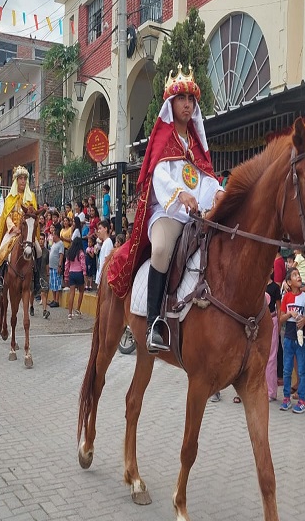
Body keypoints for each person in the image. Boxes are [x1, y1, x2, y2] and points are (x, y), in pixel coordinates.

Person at [107, 63, 224, 353]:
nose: (187, 104)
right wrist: (181, 194)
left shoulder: (195, 144)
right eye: (181, 98)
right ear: (171, 104)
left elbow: (207, 178)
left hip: (198, 217)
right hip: (168, 213)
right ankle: (154, 324)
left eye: (191, 99)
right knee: (160, 249)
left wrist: (220, 192)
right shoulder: (164, 139)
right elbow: (159, 176)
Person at [0, 166, 38, 294]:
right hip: (13, 231)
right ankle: (0, 277)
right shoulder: (10, 198)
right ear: (16, 181)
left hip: (27, 231)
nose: (23, 181)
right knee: (3, 249)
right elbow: (6, 217)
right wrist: (13, 228)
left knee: (39, 251)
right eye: (20, 179)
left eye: (25, 179)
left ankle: (38, 280)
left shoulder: (31, 197)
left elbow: (34, 215)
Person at [279, 269, 305, 414]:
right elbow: (280, 318)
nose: (298, 276)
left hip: (301, 338)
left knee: (302, 370)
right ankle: (286, 398)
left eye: (299, 274)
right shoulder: (286, 297)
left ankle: (302, 400)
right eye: (294, 275)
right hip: (288, 337)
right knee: (286, 369)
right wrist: (289, 313)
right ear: (289, 282)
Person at [265, 272, 282, 403]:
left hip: (273, 319)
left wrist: (279, 324)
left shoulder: (275, 288)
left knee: (271, 356)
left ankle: (271, 391)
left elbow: (278, 306)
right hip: (259, 322)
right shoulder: (258, 285)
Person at [65, 237, 86, 319]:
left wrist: (66, 275)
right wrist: (84, 274)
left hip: (71, 273)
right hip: (79, 273)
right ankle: (77, 309)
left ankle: (70, 313)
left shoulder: (70, 252)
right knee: (81, 291)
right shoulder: (81, 253)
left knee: (72, 293)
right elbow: (83, 264)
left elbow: (67, 265)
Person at [48, 224, 64, 308]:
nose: (52, 236)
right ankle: (54, 300)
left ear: (56, 235)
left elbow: (61, 255)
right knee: (52, 284)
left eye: (53, 234)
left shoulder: (60, 243)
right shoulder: (53, 244)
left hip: (56, 266)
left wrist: (59, 265)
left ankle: (57, 300)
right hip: (51, 266)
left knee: (57, 284)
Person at [36, 233, 50, 319]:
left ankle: (44, 310)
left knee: (43, 293)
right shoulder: (34, 250)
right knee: (32, 293)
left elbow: (47, 264)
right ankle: (31, 306)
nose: (41, 241)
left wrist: (47, 274)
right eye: (40, 239)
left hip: (43, 274)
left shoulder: (46, 252)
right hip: (35, 274)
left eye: (42, 239)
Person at [95, 220, 113, 287]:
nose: (98, 231)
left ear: (105, 229)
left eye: (100, 228)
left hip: (103, 280)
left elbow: (106, 262)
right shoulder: (105, 242)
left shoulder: (108, 242)